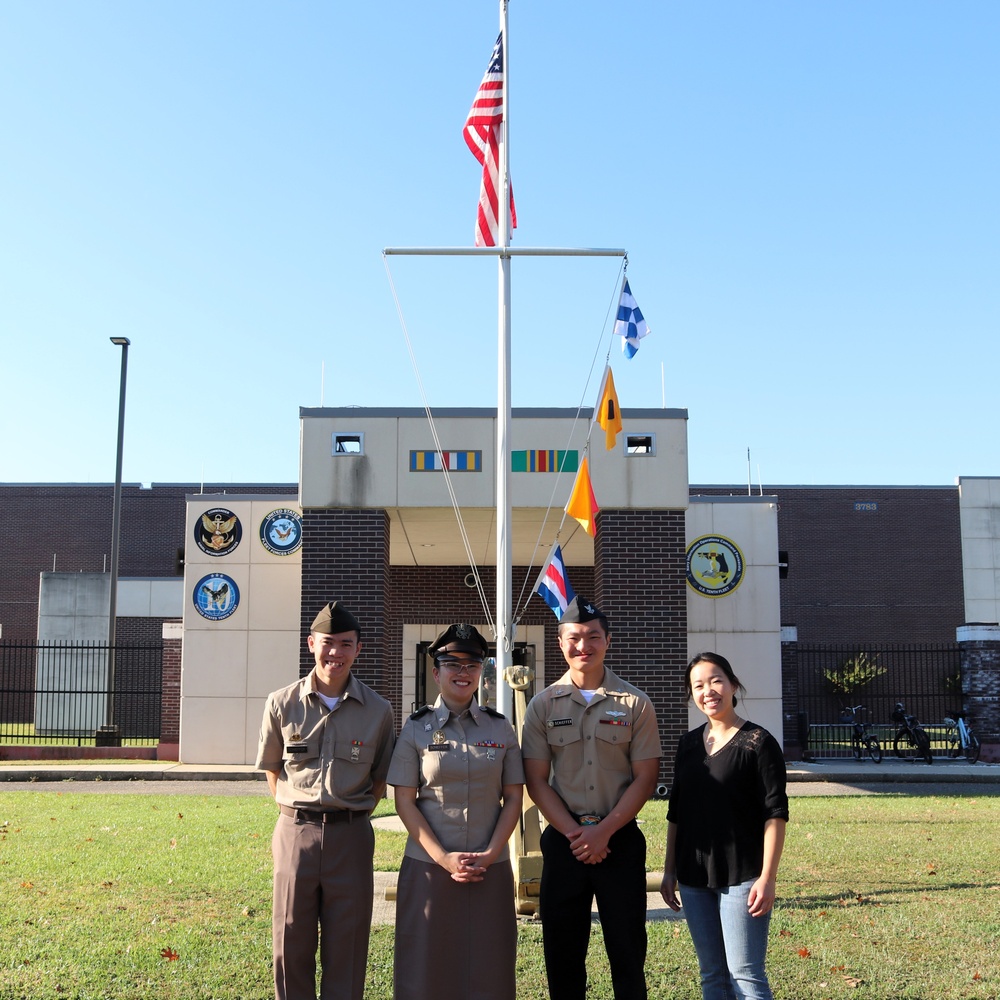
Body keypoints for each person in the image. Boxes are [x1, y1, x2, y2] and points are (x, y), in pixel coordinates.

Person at [521, 597, 661, 1000]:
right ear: (560, 642)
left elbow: (645, 777)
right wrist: (576, 835)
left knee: (628, 950)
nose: (584, 646)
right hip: (565, 844)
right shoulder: (542, 705)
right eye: (574, 638)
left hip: (620, 841)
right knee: (562, 953)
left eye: (593, 637)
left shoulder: (635, 703)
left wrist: (603, 833)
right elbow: (536, 780)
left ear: (608, 641)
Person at [256, 601, 395, 1000]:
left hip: (350, 836)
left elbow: (380, 776)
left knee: (348, 943)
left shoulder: (378, 711)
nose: (335, 653)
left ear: (358, 650)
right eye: (328, 643)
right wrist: (296, 810)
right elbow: (272, 769)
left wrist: (349, 809)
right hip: (295, 833)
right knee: (290, 938)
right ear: (311, 644)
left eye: (345, 645)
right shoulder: (282, 703)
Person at [387, 623, 524, 1000]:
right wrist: (444, 858)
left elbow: (513, 797)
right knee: (425, 966)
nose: (463, 672)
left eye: (472, 664)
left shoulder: (502, 729)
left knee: (490, 966)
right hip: (429, 868)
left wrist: (493, 853)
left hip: (489, 867)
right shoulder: (415, 730)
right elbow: (405, 801)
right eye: (453, 664)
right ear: (436, 672)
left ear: (482, 670)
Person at [659, 651, 789, 1000]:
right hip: (692, 877)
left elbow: (775, 814)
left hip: (743, 876)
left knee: (745, 976)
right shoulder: (687, 745)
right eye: (698, 685)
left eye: (716, 680)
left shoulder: (758, 743)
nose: (708, 691)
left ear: (733, 684)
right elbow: (676, 813)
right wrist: (668, 871)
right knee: (712, 975)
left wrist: (768, 877)